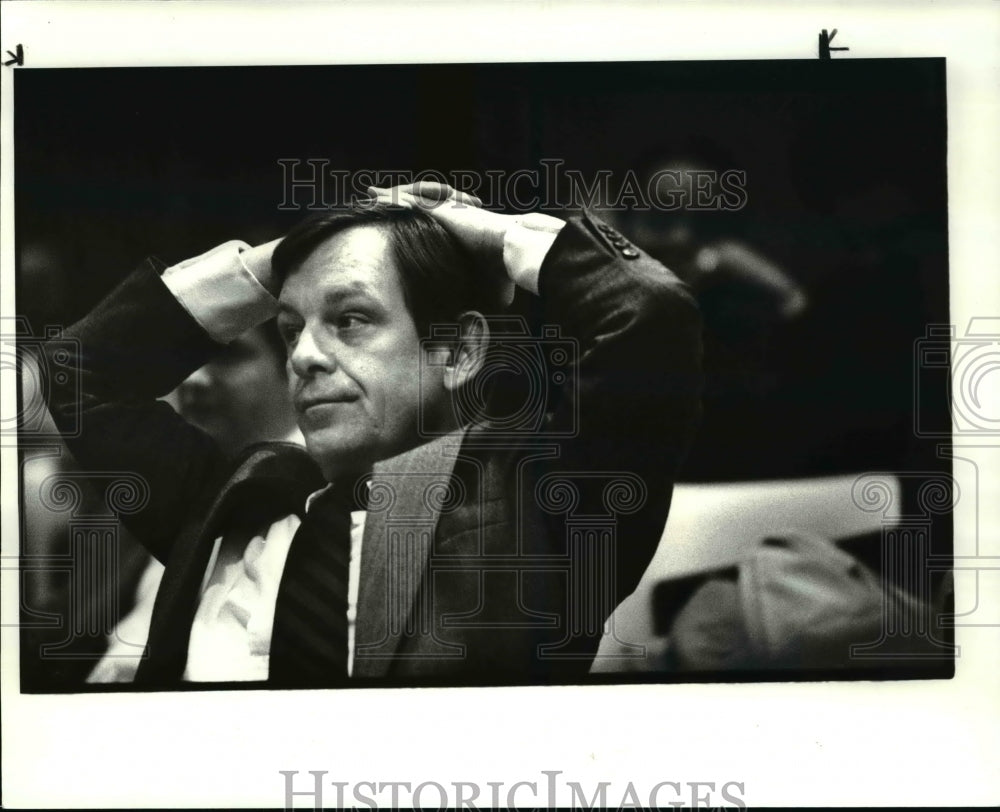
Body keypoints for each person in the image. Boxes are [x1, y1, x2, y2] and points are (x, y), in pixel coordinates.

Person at [42, 182, 702, 687]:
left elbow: (651, 317)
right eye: (292, 328)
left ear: (459, 351)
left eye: (351, 319)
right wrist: (283, 261)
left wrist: (488, 232)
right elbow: (79, 372)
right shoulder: (231, 500)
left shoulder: (540, 506)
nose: (303, 357)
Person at [87, 320, 302, 683]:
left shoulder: (319, 505)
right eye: (184, 360)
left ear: (293, 365)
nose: (194, 379)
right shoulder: (148, 496)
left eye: (228, 356)